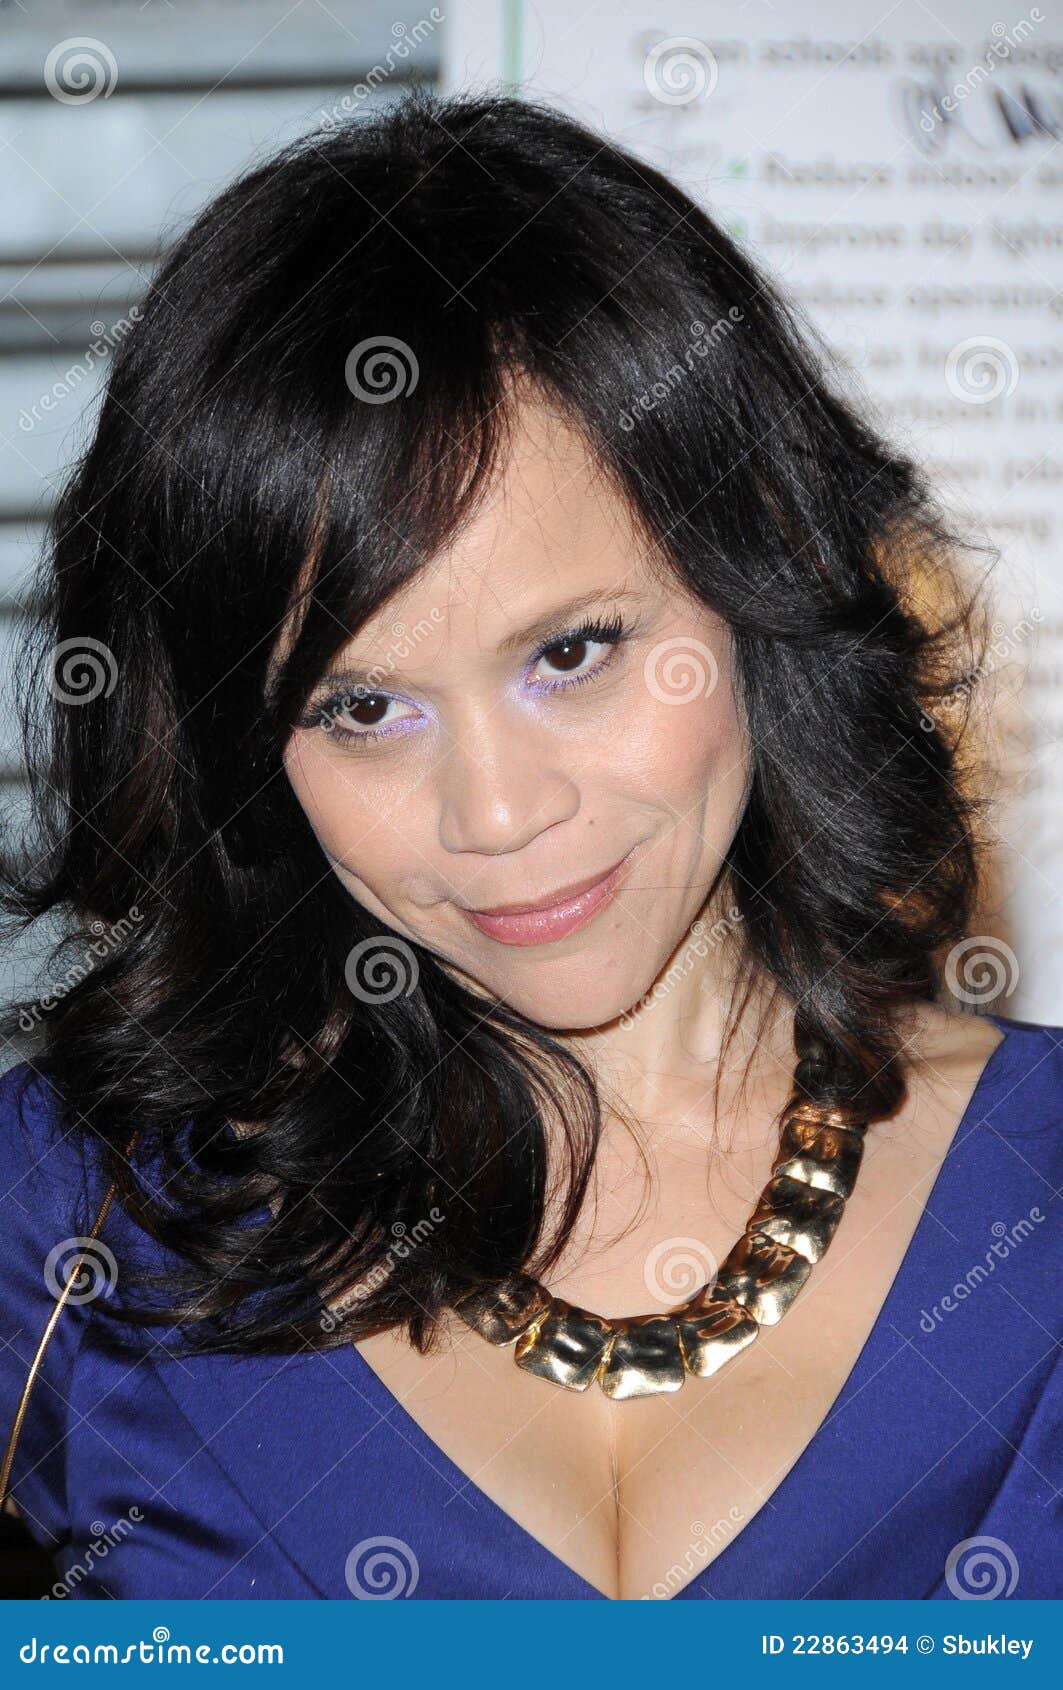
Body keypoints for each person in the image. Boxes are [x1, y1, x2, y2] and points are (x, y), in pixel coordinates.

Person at [0, 87, 1059, 1603]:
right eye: (362, 707)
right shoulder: (66, 1220)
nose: (496, 816)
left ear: (755, 571)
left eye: (572, 652)